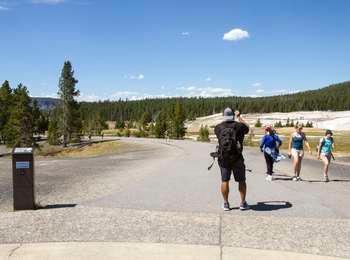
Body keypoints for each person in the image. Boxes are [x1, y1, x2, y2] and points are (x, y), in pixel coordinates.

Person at [214, 108, 250, 211]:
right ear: (233, 116)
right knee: (241, 180)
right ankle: (243, 203)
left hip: (223, 158)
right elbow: (247, 128)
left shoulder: (218, 127)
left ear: (224, 116)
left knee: (225, 180)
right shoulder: (240, 126)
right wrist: (239, 117)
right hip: (237, 157)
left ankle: (226, 203)